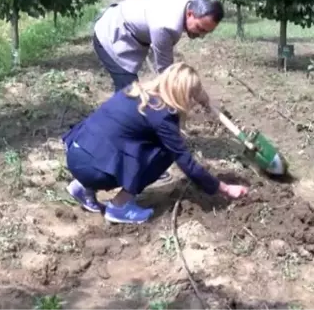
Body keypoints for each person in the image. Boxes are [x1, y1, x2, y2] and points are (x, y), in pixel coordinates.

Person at [61, 62, 249, 224]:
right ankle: (119, 207)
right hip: (95, 171)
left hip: (76, 156)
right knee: (165, 152)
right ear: (183, 95)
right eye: (191, 97)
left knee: (120, 139)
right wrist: (224, 189)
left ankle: (83, 187)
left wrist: (202, 97)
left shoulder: (135, 91)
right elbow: (187, 163)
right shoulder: (163, 115)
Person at [91, 0, 225, 184]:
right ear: (190, 13)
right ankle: (118, 158)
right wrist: (191, 96)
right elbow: (167, 76)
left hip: (132, 38)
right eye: (200, 29)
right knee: (132, 105)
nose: (201, 35)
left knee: (140, 103)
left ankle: (135, 152)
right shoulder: (166, 26)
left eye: (207, 32)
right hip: (113, 36)